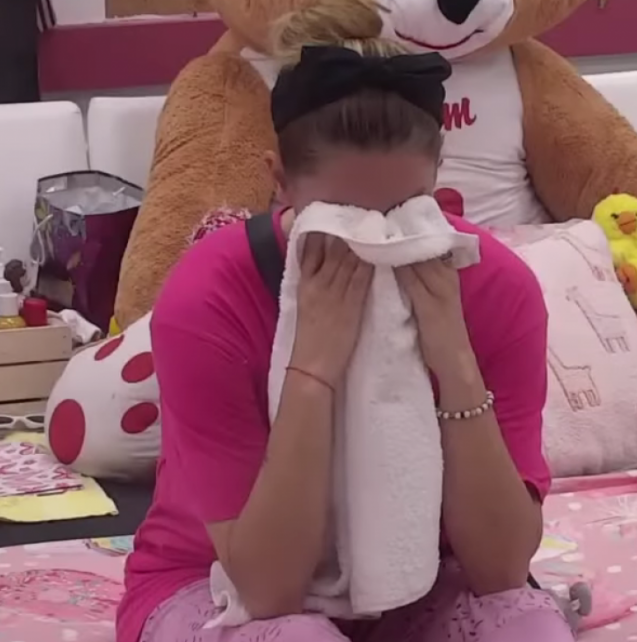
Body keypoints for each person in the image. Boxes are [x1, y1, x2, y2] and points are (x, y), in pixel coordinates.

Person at [116, 2, 573, 641]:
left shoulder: (495, 285)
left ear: (437, 180)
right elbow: (267, 590)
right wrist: (312, 369)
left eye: (402, 210)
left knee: (530, 628)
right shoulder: (208, 298)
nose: (373, 240)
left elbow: (501, 569)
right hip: (217, 579)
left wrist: (454, 358)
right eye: (343, 216)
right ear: (280, 183)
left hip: (425, 577)